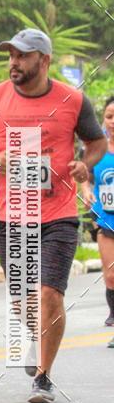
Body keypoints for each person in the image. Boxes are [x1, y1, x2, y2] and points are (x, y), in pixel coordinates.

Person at [0, 28, 106, 403]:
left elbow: (97, 142)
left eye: (23, 56)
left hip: (59, 213)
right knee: (23, 300)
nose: (14, 62)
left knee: (49, 294)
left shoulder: (73, 100)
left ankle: (43, 377)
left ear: (44, 60)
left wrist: (83, 165)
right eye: (11, 55)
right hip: (13, 215)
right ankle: (37, 338)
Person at [80, 96, 114, 328]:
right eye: (110, 116)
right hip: (106, 218)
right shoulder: (98, 148)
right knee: (111, 273)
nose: (113, 121)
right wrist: (86, 191)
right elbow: (85, 176)